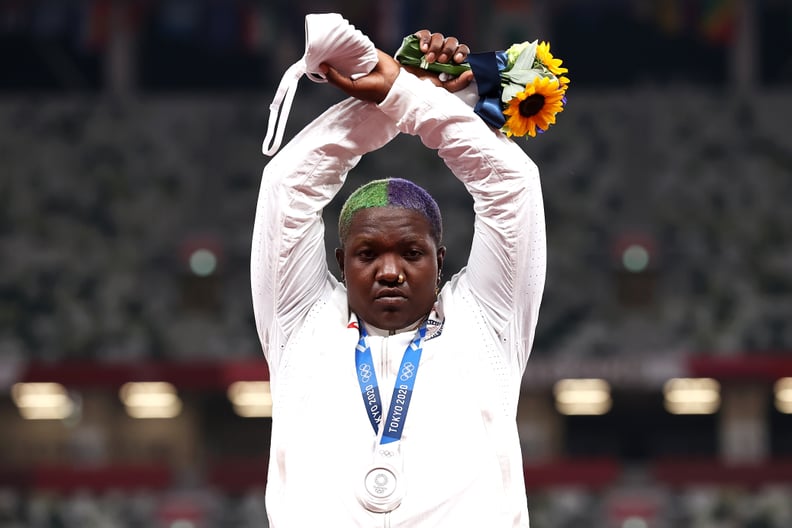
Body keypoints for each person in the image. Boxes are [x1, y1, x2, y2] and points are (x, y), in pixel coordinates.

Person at [251, 28, 546, 527]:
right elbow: (289, 184)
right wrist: (403, 90)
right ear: (341, 263)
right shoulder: (300, 322)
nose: (390, 271)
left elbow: (511, 187)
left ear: (441, 260)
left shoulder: (487, 322)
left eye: (411, 252)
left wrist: (405, 94)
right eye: (368, 254)